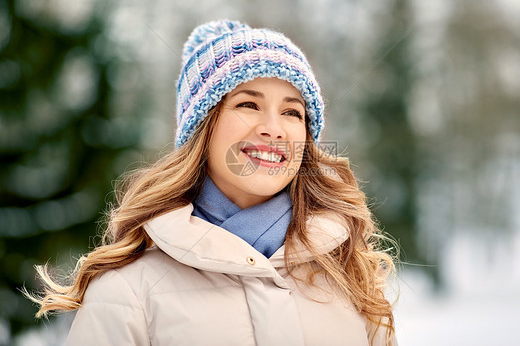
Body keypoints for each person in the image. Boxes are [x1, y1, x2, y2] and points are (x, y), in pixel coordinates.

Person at [26, 20, 397, 345]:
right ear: (203, 128)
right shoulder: (127, 292)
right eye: (248, 104)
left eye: (291, 112)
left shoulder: (349, 273)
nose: (274, 128)